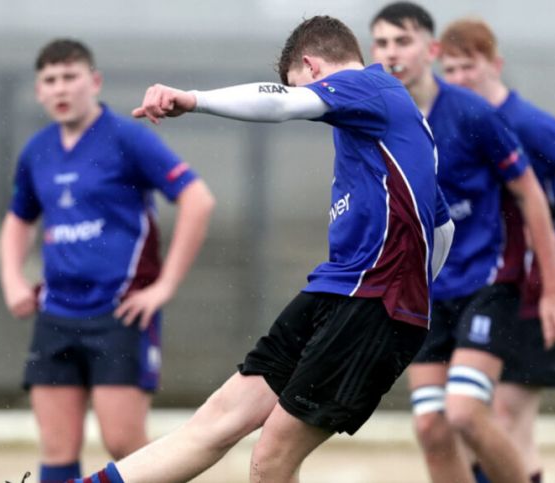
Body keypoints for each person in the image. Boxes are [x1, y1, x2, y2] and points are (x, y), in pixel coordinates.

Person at [69, 15, 455, 483]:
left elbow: (281, 104)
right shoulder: (384, 127)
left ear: (311, 67)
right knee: (215, 423)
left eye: (300, 85)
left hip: (373, 302)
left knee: (272, 457)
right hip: (338, 290)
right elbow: (443, 227)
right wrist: (419, 296)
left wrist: (192, 100)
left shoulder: (368, 88)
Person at [369, 3, 555, 483]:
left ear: (430, 49)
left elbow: (531, 195)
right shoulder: (379, 121)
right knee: (431, 427)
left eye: (403, 41)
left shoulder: (474, 113)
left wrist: (549, 289)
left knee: (464, 412)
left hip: (488, 284)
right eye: (381, 43)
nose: (392, 52)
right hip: (425, 294)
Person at [0, 38, 216, 483]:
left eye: (70, 77)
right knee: (57, 447)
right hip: (55, 312)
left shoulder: (127, 137)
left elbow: (197, 199)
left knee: (125, 447)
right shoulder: (37, 151)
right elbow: (18, 220)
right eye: (50, 80)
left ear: (94, 81)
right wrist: (12, 279)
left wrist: (165, 286)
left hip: (120, 313)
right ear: (39, 91)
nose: (61, 89)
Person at [438, 18, 555, 483]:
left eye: (469, 67)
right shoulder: (457, 123)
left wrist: (550, 214)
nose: (460, 79)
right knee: (471, 422)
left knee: (503, 423)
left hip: (533, 287)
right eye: (450, 69)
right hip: (486, 285)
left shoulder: (523, 120)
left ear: (494, 64)